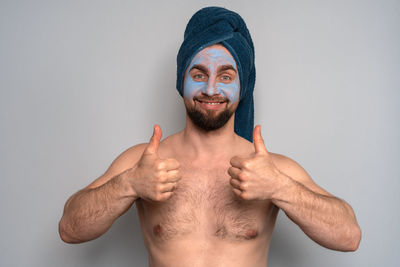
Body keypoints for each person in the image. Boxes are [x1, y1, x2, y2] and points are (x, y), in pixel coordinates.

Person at [59, 6, 361, 267]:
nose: (211, 89)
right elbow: (70, 229)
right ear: (182, 81)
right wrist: (129, 184)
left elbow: (348, 236)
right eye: (199, 74)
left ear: (242, 88)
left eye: (226, 77)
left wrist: (280, 187)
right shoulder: (143, 163)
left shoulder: (271, 169)